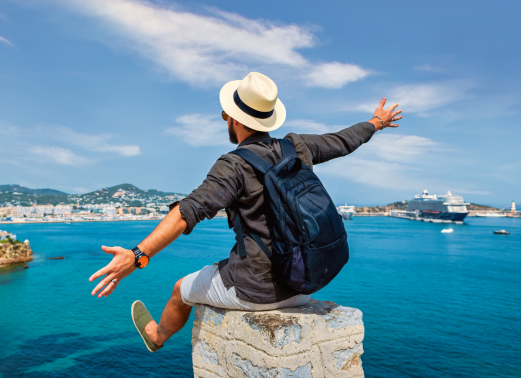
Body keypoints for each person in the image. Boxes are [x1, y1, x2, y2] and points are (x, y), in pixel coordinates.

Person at [89, 72, 402, 352]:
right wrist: (376, 122)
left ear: (234, 120)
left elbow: (189, 210)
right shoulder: (296, 147)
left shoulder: (234, 164)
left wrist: (137, 254)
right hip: (305, 283)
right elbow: (344, 141)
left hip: (256, 290)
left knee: (180, 291)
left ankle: (156, 336)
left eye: (225, 115)